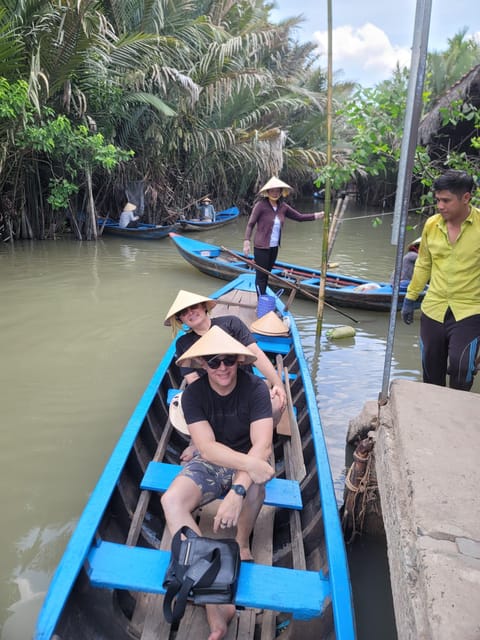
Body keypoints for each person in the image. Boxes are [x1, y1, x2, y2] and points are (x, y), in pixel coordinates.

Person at [161, 326, 274, 640]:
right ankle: (214, 600)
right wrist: (251, 465)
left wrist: (238, 489)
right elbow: (207, 448)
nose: (222, 367)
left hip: (246, 458)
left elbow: (261, 445)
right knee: (170, 500)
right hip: (211, 462)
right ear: (202, 365)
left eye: (228, 360)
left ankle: (241, 541)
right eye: (213, 361)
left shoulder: (256, 389)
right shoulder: (194, 395)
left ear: (238, 360)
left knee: (255, 486)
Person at [164, 290, 287, 441]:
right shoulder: (183, 343)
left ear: (204, 307)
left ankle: (256, 438)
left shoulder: (231, 323)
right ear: (181, 319)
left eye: (194, 307)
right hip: (211, 396)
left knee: (276, 404)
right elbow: (192, 378)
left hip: (244, 389)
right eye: (184, 312)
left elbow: (256, 354)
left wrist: (277, 383)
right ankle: (206, 441)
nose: (190, 313)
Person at [401, 170, 480, 391]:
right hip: (433, 307)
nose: (440, 206)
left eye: (446, 200)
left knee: (461, 366)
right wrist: (410, 297)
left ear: (466, 198)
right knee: (430, 366)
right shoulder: (431, 225)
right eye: (437, 200)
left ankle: (456, 413)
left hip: (470, 310)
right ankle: (432, 413)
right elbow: (424, 263)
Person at [243, 177, 324, 295]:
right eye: (273, 191)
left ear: (281, 192)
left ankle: (263, 298)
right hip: (261, 247)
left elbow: (299, 217)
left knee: (268, 274)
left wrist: (318, 215)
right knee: (261, 276)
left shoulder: (283, 207)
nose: (275, 193)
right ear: (268, 192)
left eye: (278, 191)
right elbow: (250, 224)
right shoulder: (261, 205)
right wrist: (246, 241)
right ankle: (261, 303)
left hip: (274, 247)